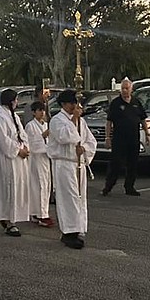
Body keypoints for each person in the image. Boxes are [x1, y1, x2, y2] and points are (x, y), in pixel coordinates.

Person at [48, 89, 97, 249]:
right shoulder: (57, 120)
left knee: (79, 197)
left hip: (78, 164)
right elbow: (64, 137)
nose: (74, 106)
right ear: (64, 104)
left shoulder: (81, 122)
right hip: (64, 163)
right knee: (68, 197)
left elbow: (90, 141)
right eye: (71, 103)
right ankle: (69, 231)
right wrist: (74, 120)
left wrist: (84, 149)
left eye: (75, 103)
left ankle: (79, 228)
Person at [0, 87, 33, 237]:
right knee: (6, 187)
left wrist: (25, 147)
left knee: (17, 187)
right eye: (16, 100)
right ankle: (6, 219)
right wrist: (18, 150)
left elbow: (22, 134)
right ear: (11, 101)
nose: (18, 102)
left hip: (17, 158)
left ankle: (14, 217)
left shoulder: (14, 117)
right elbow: (2, 139)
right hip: (4, 156)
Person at [102, 78, 150, 197]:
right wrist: (107, 138)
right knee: (116, 163)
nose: (124, 90)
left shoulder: (136, 102)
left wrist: (147, 133)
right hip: (119, 139)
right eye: (122, 88)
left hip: (133, 138)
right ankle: (108, 186)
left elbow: (142, 118)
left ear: (131, 89)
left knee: (133, 164)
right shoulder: (116, 103)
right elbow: (109, 122)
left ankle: (129, 187)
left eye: (126, 88)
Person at [24, 101, 55, 227]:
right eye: (39, 110)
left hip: (46, 158)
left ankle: (40, 212)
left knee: (46, 185)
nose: (42, 113)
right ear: (33, 112)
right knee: (39, 185)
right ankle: (41, 214)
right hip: (36, 159)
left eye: (43, 110)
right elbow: (31, 143)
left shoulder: (46, 125)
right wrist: (43, 135)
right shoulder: (30, 126)